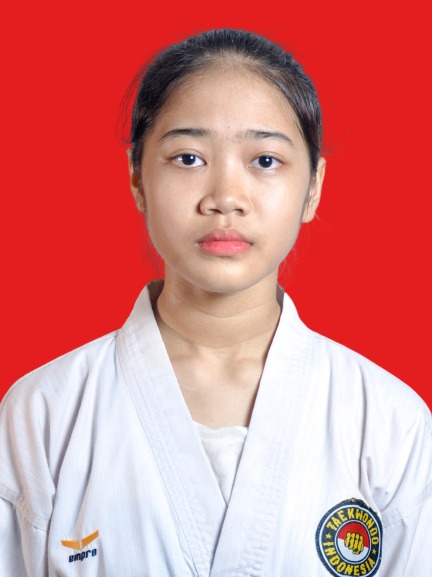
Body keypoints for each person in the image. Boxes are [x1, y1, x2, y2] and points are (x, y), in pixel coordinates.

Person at [0, 29, 431, 577]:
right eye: (188, 158)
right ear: (137, 177)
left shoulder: (389, 422)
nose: (225, 197)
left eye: (265, 160)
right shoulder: (43, 415)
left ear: (314, 187)